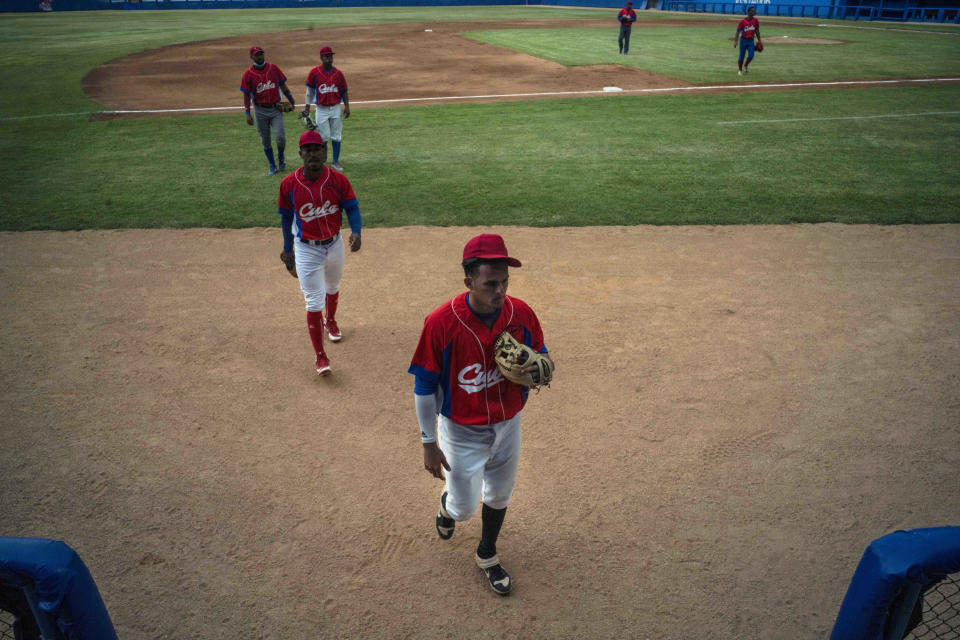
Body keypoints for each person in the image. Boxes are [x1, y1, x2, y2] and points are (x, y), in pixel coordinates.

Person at [409, 234, 555, 596]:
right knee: (463, 510)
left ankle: (487, 553)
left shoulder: (520, 314)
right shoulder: (441, 323)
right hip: (461, 432)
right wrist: (429, 443)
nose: (501, 290)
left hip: (508, 423)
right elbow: (424, 387)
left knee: (501, 493)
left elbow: (543, 352)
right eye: (491, 283)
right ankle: (448, 507)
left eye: (505, 281)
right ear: (469, 282)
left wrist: (541, 367)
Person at [277, 130, 362, 376]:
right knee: (313, 301)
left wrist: (356, 231)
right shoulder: (289, 184)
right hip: (306, 249)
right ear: (300, 154)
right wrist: (286, 249)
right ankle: (320, 355)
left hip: (334, 244)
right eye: (308, 150)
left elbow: (352, 208)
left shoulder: (338, 180)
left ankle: (331, 320)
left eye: (318, 149)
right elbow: (286, 219)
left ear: (325, 152)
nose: (313, 154)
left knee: (333, 287)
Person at [241, 46, 296, 175]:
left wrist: (291, 99)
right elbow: (246, 95)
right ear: (252, 57)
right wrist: (247, 113)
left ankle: (281, 157)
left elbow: (283, 85)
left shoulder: (274, 68)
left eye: (261, 54)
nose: (259, 57)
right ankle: (272, 165)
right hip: (260, 111)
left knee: (280, 137)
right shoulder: (248, 74)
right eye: (256, 55)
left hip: (275, 108)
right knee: (265, 140)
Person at [304, 46, 350, 172]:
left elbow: (344, 91)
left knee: (336, 136)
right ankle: (322, 160)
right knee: (323, 137)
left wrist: (347, 107)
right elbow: (310, 91)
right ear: (321, 58)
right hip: (321, 109)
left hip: (335, 108)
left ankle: (335, 161)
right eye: (326, 56)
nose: (329, 59)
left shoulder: (338, 74)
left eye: (331, 56)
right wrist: (307, 107)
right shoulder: (314, 73)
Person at [734, 6, 762, 75]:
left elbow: (757, 31)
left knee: (751, 56)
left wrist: (759, 40)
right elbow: (737, 31)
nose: (754, 12)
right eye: (752, 11)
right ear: (748, 12)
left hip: (750, 41)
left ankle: (746, 65)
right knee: (741, 56)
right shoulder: (742, 22)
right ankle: (740, 70)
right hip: (743, 41)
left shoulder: (755, 21)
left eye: (754, 11)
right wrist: (735, 41)